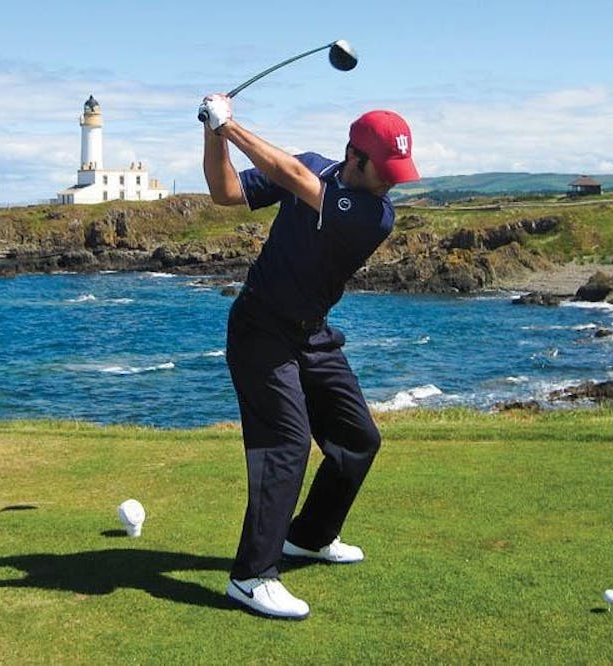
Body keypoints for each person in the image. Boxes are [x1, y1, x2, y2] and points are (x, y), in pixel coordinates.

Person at [198, 93, 419, 620]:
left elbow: (295, 177)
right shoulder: (317, 167)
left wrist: (231, 126)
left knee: (357, 439)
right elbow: (225, 192)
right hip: (260, 329)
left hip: (311, 334)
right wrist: (212, 131)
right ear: (354, 156)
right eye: (385, 170)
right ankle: (251, 577)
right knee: (287, 443)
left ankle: (310, 537)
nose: (392, 183)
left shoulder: (373, 214)